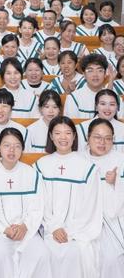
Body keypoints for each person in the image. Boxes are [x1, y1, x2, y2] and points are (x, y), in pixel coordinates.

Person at [36, 116, 102, 277]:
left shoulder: (88, 168)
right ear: (51, 136)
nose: (63, 138)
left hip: (77, 232)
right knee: (44, 252)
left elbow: (91, 206)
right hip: (49, 230)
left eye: (67, 133)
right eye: (57, 133)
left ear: (74, 136)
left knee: (76, 253)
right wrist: (54, 227)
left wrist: (70, 231)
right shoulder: (41, 165)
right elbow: (38, 203)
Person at [0, 128, 50, 278]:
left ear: (22, 150)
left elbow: (37, 208)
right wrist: (3, 229)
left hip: (27, 232)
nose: (12, 150)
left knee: (41, 254)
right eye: (7, 145)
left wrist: (25, 226)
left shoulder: (32, 175)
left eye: (17, 146)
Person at [82, 118, 124, 277]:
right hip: (84, 220)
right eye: (97, 137)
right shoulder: (80, 160)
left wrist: (116, 183)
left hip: (114, 218)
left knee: (111, 258)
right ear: (88, 138)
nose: (102, 142)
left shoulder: (120, 160)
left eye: (108, 138)